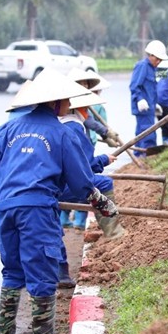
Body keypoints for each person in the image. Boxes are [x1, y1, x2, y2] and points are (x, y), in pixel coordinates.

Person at [0, 67, 118, 334]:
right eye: (65, 101)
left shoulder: (10, 128)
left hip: (5, 207)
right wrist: (101, 201)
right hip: (36, 210)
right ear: (55, 103)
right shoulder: (60, 132)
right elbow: (81, 181)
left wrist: (1, 186)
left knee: (13, 270)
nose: (69, 105)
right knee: (42, 271)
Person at [57, 89, 126, 287]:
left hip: (47, 185)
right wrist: (103, 159)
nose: (89, 111)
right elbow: (83, 165)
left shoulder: (63, 123)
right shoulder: (74, 126)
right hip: (65, 185)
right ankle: (113, 232)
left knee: (52, 231)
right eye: (87, 107)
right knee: (104, 183)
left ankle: (59, 272)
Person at [130, 40, 168, 156]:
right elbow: (134, 86)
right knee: (148, 135)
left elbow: (151, 89)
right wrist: (140, 99)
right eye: (157, 59)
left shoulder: (152, 69)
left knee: (141, 134)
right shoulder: (142, 66)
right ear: (151, 55)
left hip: (149, 108)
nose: (158, 62)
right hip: (143, 108)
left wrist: (154, 104)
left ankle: (140, 157)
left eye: (160, 60)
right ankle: (146, 159)